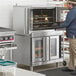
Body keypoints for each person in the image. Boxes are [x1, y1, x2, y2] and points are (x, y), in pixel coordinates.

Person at [60, 0, 76, 71]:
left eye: (67, 4)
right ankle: (71, 67)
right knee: (72, 51)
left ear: (71, 4)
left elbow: (67, 23)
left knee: (74, 51)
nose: (67, 6)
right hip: (73, 33)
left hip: (73, 34)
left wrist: (57, 25)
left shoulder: (72, 12)